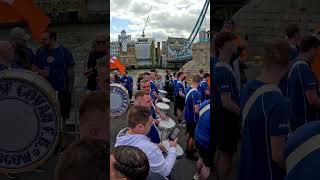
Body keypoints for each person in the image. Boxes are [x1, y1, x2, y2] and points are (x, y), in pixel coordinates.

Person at [238, 40, 291, 180]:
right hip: (266, 173)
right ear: (287, 66)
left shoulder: (247, 88)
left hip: (246, 169)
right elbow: (278, 155)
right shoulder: (279, 103)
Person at [35, 31, 75, 150]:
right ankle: (52, 142)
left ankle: (63, 141)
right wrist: (40, 71)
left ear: (53, 39)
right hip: (45, 89)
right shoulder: (39, 51)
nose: (41, 42)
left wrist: (70, 88)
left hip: (62, 89)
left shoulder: (64, 52)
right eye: (41, 39)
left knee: (62, 116)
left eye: (44, 39)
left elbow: (71, 70)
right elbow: (35, 66)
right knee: (47, 116)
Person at [115, 106, 178, 178]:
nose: (153, 123)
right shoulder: (150, 149)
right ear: (140, 127)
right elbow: (165, 171)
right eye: (150, 123)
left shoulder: (122, 132)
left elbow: (137, 143)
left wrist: (156, 145)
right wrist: (173, 148)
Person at [212, 32, 240, 180]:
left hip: (223, 117)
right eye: (232, 42)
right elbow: (227, 102)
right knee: (226, 153)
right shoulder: (222, 70)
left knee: (223, 151)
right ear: (224, 46)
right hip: (226, 117)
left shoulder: (223, 66)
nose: (236, 44)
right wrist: (242, 113)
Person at [287, 35, 320, 131]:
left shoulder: (294, 64)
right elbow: (313, 100)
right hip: (305, 123)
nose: (317, 53)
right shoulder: (305, 69)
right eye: (316, 50)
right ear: (311, 49)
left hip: (295, 120)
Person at [184, 74, 202, 161]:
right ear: (199, 82)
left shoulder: (188, 89)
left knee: (189, 133)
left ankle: (187, 148)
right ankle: (190, 153)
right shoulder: (196, 93)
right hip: (193, 118)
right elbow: (196, 110)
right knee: (193, 136)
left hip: (188, 116)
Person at [194, 99, 211, 180]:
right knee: (206, 166)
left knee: (201, 157)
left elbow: (197, 111)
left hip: (198, 134)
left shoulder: (206, 102)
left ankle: (197, 175)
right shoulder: (220, 109)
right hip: (207, 141)